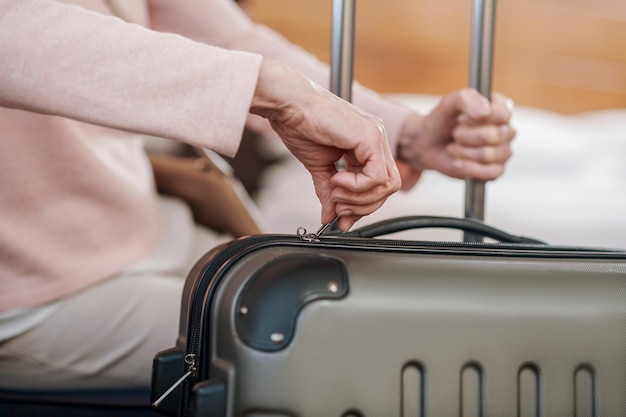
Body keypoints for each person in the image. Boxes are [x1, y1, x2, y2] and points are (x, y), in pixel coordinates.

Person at [0, 0, 515, 389]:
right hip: (35, 288)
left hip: (142, 227)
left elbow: (228, 36)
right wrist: (267, 91)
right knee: (344, 336)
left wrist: (406, 132)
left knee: (388, 303)